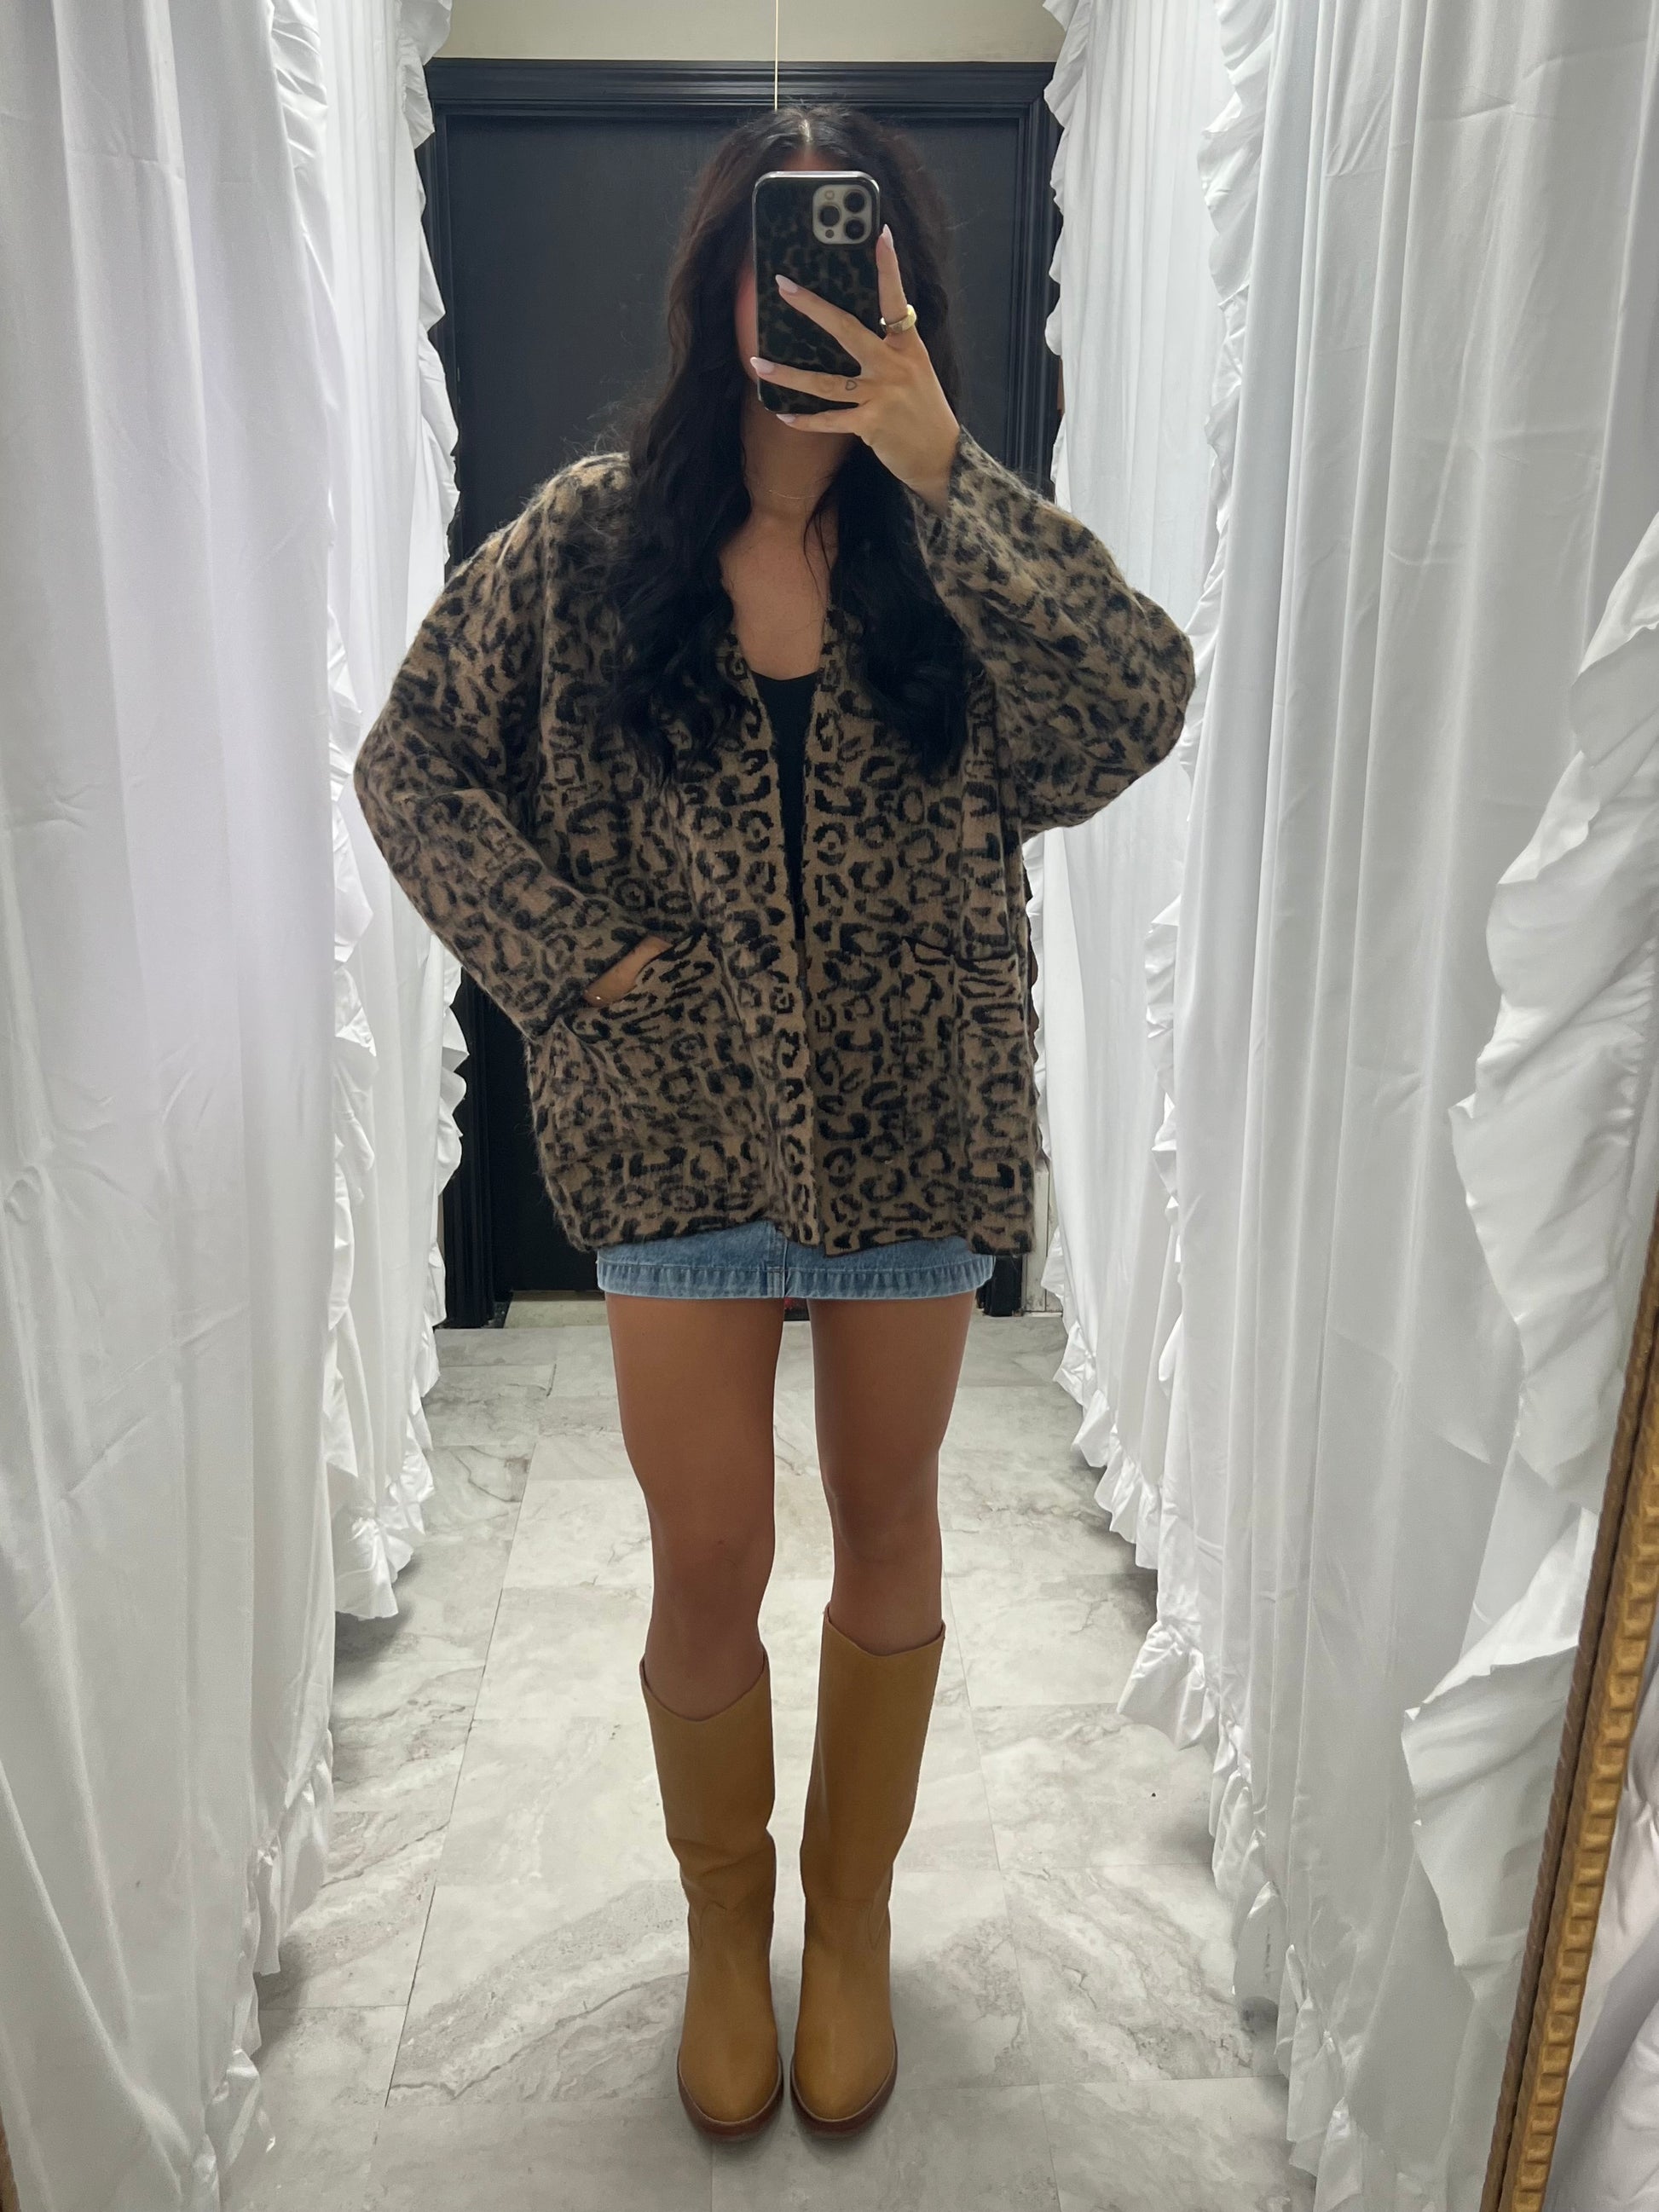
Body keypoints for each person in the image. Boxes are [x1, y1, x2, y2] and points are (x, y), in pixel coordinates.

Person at [353, 104, 1194, 2144]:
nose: (802, 291)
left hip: (913, 1119)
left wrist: (942, 464)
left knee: (891, 1521)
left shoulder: (950, 552)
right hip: (676, 1128)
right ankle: (727, 1926)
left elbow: (1139, 692)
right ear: (715, 283)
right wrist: (571, 959)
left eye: (849, 254)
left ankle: (850, 1915)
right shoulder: (585, 546)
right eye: (770, 252)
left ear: (904, 290)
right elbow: (411, 767)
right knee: (709, 1543)